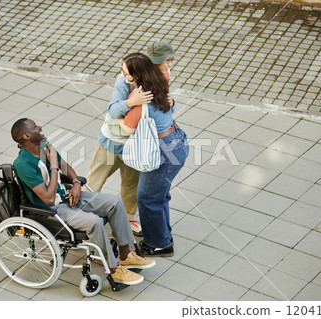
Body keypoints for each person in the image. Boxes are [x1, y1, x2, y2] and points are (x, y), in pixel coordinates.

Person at [11, 118, 155, 285]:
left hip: (66, 197)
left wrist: (77, 183)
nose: (40, 127)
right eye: (35, 127)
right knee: (94, 222)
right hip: (51, 210)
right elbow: (49, 198)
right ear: (26, 135)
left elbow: (66, 167)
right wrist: (53, 165)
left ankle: (125, 255)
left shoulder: (45, 147)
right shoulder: (23, 164)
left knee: (115, 202)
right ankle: (114, 270)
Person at [85, 41, 176, 237]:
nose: (170, 65)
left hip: (136, 146)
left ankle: (128, 217)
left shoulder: (161, 79)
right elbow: (112, 110)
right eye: (166, 61)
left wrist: (172, 103)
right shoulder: (124, 81)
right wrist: (130, 103)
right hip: (111, 143)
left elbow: (165, 112)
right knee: (95, 180)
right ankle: (83, 216)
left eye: (170, 60)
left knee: (131, 184)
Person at [117, 53, 189, 257]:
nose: (123, 76)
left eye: (126, 73)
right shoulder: (160, 81)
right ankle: (164, 235)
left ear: (137, 75)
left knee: (147, 198)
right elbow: (170, 105)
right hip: (177, 141)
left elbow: (128, 129)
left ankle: (158, 244)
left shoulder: (139, 97)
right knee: (160, 195)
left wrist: (118, 119)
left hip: (163, 150)